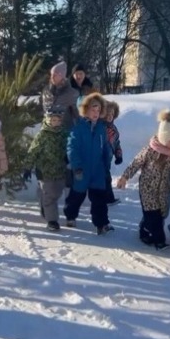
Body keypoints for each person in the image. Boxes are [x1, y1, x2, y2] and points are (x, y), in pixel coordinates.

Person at [116, 109, 170, 250]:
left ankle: (145, 228)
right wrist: (124, 177)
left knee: (161, 214)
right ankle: (159, 241)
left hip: (164, 190)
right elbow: (136, 163)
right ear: (165, 138)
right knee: (154, 217)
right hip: (148, 190)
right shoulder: (150, 150)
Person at [64, 93, 114, 235]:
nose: (96, 113)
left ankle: (101, 223)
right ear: (85, 110)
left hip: (97, 170)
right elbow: (72, 148)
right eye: (93, 109)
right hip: (82, 169)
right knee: (77, 196)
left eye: (98, 110)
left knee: (99, 199)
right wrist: (76, 166)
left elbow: (105, 147)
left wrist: (106, 164)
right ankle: (70, 215)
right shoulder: (78, 128)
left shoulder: (101, 129)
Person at [25, 105, 70, 231]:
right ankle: (52, 221)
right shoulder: (42, 135)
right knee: (50, 195)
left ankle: (44, 207)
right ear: (47, 120)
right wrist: (28, 167)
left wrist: (69, 157)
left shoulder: (64, 134)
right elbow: (33, 151)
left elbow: (71, 148)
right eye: (53, 120)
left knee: (56, 193)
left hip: (60, 170)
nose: (55, 123)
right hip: (45, 171)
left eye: (58, 120)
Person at [40, 61, 79, 130]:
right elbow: (43, 110)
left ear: (61, 76)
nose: (52, 77)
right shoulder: (46, 91)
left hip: (65, 131)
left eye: (55, 75)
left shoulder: (71, 93)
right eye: (51, 74)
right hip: (48, 131)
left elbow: (78, 114)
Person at [103, 101, 123, 206]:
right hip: (99, 159)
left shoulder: (114, 129)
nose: (109, 116)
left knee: (106, 178)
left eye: (111, 114)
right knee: (105, 178)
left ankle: (107, 199)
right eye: (107, 114)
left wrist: (118, 155)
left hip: (108, 159)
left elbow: (117, 143)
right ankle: (108, 199)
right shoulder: (100, 127)